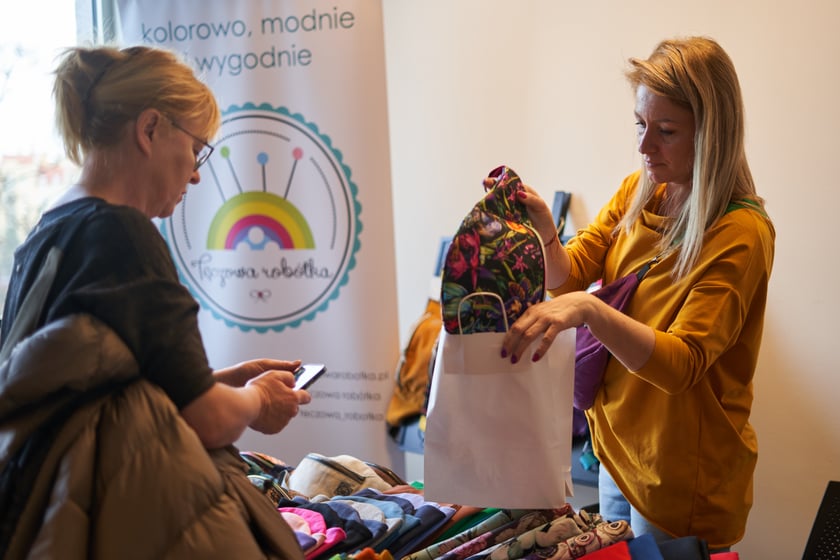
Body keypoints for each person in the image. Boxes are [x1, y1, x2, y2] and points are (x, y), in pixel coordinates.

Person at [0, 45, 309, 557]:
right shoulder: (123, 234)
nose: (196, 173)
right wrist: (259, 401)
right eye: (196, 148)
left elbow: (90, 393)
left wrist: (220, 380)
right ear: (149, 129)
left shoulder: (50, 230)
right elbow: (207, 419)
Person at [499, 37, 775, 550]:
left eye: (666, 131)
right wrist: (545, 229)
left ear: (712, 134)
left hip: (679, 480)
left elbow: (683, 364)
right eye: (639, 125)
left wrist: (589, 310)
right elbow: (570, 276)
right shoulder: (640, 190)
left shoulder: (740, 233)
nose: (645, 146)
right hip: (617, 453)